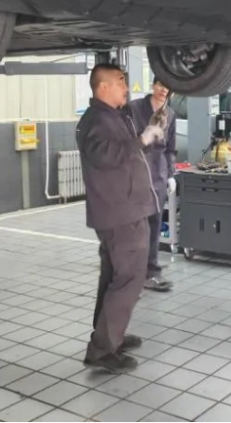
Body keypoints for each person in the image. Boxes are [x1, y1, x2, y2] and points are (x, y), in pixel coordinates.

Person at [76, 63, 164, 374]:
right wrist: (140, 140)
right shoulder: (97, 120)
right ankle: (103, 349)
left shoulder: (112, 116)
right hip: (120, 213)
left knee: (114, 276)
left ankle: (110, 335)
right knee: (129, 278)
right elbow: (105, 155)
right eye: (120, 82)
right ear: (103, 87)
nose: (126, 88)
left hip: (123, 210)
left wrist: (148, 130)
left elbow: (125, 152)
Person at [127, 77, 177, 293]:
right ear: (153, 85)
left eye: (168, 87)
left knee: (155, 224)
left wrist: (171, 174)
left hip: (158, 172)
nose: (164, 90)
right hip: (137, 170)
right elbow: (126, 142)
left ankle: (152, 272)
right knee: (137, 225)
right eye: (160, 85)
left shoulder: (170, 114)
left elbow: (170, 148)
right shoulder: (134, 108)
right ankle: (132, 272)